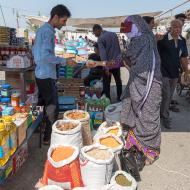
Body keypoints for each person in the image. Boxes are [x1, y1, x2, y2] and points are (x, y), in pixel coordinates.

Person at [88, 15, 162, 167]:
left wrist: (98, 63)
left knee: (148, 118)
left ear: (137, 26)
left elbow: (123, 59)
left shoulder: (142, 40)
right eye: (125, 29)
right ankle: (137, 144)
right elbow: (126, 59)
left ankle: (150, 150)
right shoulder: (144, 38)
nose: (126, 32)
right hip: (138, 81)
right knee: (132, 108)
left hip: (149, 85)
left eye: (128, 28)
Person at [32, 4, 75, 144]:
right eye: (63, 20)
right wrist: (64, 61)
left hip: (40, 73)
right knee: (52, 106)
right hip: (46, 74)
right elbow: (45, 56)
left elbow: (38, 53)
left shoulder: (41, 30)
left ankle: (35, 127)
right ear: (55, 17)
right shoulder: (48, 32)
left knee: (40, 102)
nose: (64, 24)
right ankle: (48, 137)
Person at [157, 19, 189, 129]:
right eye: (175, 27)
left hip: (175, 72)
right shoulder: (163, 39)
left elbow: (184, 57)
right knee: (166, 95)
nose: (178, 29)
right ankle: (165, 117)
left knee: (170, 95)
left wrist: (186, 71)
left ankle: (161, 112)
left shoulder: (182, 41)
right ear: (170, 28)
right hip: (163, 71)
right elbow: (156, 55)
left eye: (180, 27)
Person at [92, 24, 122, 101]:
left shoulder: (100, 39)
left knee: (106, 83)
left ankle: (108, 99)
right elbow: (118, 49)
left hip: (108, 64)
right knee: (118, 80)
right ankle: (120, 97)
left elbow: (103, 54)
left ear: (97, 30)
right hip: (116, 62)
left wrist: (106, 67)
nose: (95, 35)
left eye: (94, 33)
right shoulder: (113, 34)